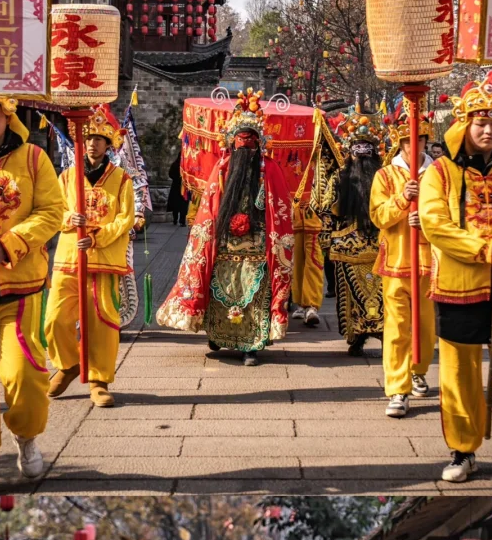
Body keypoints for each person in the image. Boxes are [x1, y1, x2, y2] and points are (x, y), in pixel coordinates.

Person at [0, 97, 64, 495]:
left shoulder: (34, 158)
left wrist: (9, 245)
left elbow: (52, 211)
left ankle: (26, 434)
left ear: (6, 114)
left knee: (23, 374)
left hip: (20, 289)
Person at [418, 73, 492, 485]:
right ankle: (463, 449)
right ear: (465, 124)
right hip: (458, 284)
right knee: (458, 373)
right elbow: (434, 224)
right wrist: (481, 249)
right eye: (481, 123)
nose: (488, 131)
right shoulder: (440, 172)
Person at [157, 88, 293, 368]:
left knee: (253, 295)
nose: (246, 151)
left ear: (259, 145)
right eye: (241, 144)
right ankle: (218, 334)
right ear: (232, 144)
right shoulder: (222, 170)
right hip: (224, 245)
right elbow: (209, 210)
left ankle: (251, 345)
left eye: (251, 145)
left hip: (257, 247)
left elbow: (280, 210)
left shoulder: (269, 170)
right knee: (221, 290)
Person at [45, 108, 136, 410]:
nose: (93, 144)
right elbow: (52, 211)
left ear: (108, 144)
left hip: (103, 258)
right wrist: (68, 218)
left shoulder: (121, 179)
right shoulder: (66, 178)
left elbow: (125, 218)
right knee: (55, 318)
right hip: (69, 255)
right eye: (88, 139)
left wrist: (98, 236)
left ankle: (99, 379)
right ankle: (69, 364)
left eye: (98, 139)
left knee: (102, 321)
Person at [369, 108, 436, 418]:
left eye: (419, 139)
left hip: (430, 262)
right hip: (396, 260)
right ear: (400, 143)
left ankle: (418, 370)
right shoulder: (385, 175)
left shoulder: (438, 173)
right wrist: (401, 201)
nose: (414, 145)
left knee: (426, 325)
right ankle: (398, 387)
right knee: (397, 327)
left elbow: (450, 211)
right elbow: (378, 215)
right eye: (408, 140)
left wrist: (426, 220)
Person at [324, 110, 386, 355]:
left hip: (363, 245)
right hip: (361, 246)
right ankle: (364, 336)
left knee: (375, 294)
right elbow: (328, 209)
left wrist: (328, 238)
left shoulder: (344, 176)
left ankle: (364, 337)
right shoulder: (344, 177)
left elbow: (327, 209)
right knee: (359, 295)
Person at [167, 151, 190, 227]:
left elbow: (170, 174)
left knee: (175, 204)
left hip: (175, 186)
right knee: (183, 204)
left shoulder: (175, 164)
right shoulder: (186, 165)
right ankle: (182, 221)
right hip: (184, 186)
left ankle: (175, 219)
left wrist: (176, 178)